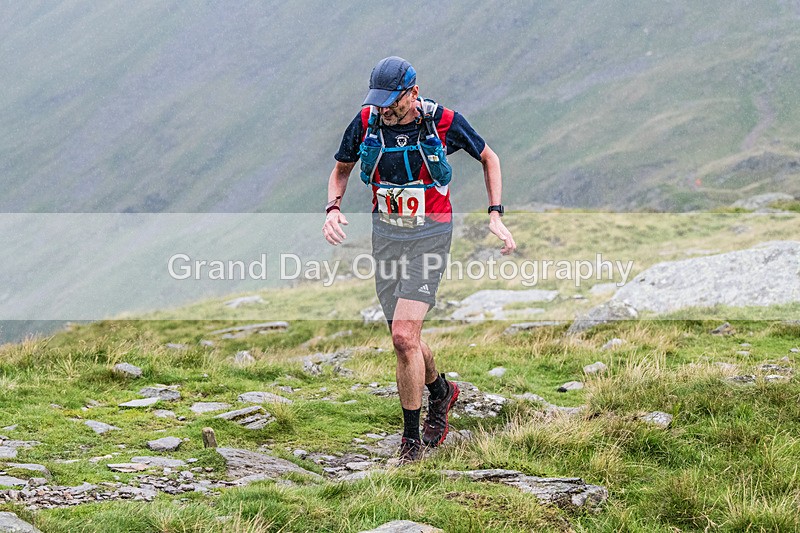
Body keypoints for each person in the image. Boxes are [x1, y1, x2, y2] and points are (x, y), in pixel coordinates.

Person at [322, 56, 516, 464]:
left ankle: (411, 443)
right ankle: (442, 392)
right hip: (387, 236)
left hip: (430, 235)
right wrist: (333, 207)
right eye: (380, 101)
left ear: (413, 92)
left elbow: (489, 157)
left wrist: (495, 214)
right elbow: (341, 169)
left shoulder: (442, 121)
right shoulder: (366, 121)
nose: (386, 109)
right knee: (404, 337)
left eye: (393, 100)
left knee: (403, 338)